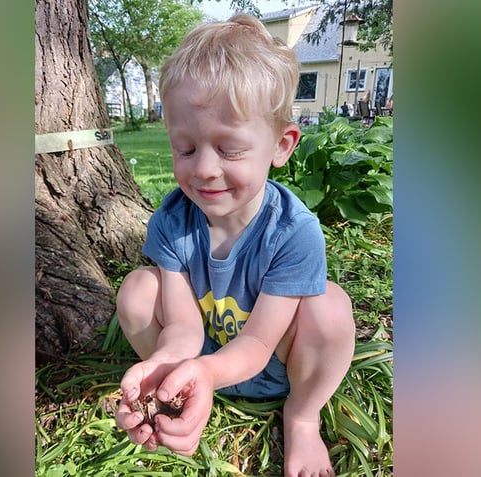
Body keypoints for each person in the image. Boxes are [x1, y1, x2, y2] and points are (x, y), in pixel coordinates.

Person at [113, 14, 355, 477]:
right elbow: (182, 326)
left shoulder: (293, 231)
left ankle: (302, 418)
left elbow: (261, 341)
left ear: (281, 146)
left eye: (228, 149)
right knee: (138, 289)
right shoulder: (172, 222)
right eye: (185, 149)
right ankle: (177, 392)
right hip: (201, 366)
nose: (203, 168)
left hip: (274, 368)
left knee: (330, 307)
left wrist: (210, 371)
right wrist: (169, 363)